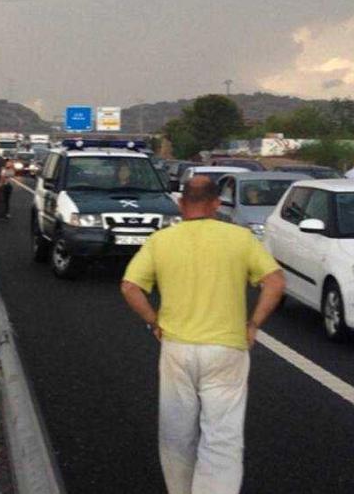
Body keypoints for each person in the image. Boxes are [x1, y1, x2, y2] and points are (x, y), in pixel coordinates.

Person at [120, 176, 285, 494]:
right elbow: (275, 282)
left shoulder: (161, 240)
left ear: (182, 204)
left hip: (177, 347)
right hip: (227, 349)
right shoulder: (240, 238)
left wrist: (154, 321)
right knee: (222, 436)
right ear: (216, 205)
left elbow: (130, 287)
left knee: (177, 432)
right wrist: (253, 324)